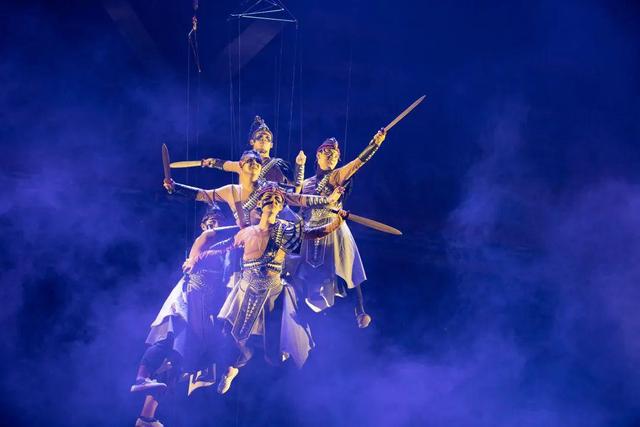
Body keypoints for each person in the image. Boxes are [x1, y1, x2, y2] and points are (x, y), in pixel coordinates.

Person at [214, 184, 347, 394]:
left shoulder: (286, 230)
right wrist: (196, 257)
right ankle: (232, 368)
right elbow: (225, 246)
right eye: (268, 197)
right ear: (259, 204)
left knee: (273, 346)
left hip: (273, 291)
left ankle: (288, 386)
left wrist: (337, 222)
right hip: (246, 287)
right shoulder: (246, 232)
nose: (273, 201)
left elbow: (313, 233)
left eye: (278, 199)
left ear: (281, 206)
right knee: (232, 335)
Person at [130, 206, 226, 427]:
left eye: (218, 221)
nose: (214, 225)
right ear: (203, 225)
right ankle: (141, 377)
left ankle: (146, 418)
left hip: (204, 307)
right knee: (168, 339)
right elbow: (196, 259)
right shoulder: (206, 238)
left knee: (175, 363)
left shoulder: (223, 246)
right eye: (210, 221)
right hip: (188, 302)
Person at [295, 129, 387, 328]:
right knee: (296, 266)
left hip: (333, 224)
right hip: (309, 230)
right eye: (328, 153)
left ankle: (359, 308)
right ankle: (298, 310)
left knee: (349, 262)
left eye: (335, 155)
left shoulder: (337, 175)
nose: (332, 157)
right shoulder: (306, 183)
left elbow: (358, 163)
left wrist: (375, 144)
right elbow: (297, 203)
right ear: (318, 155)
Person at [202, 116, 306, 193]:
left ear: (271, 145)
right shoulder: (245, 163)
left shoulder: (280, 165)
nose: (263, 140)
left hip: (275, 208)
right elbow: (225, 164)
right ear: (252, 142)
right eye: (260, 137)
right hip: (249, 210)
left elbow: (296, 191)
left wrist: (300, 166)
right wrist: (210, 162)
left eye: (267, 138)